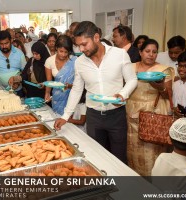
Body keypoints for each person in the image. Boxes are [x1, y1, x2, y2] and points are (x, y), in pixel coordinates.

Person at [54, 21, 138, 164]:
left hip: (116, 115)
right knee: (96, 158)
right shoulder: (79, 62)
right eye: (78, 45)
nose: (81, 48)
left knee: (119, 158)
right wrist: (66, 115)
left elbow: (132, 80)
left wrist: (122, 94)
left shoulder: (120, 54)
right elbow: (77, 89)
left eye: (84, 44)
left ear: (96, 37)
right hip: (94, 117)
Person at [126, 39, 175, 176]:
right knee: (132, 149)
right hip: (131, 113)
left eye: (154, 52)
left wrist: (158, 84)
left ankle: (153, 183)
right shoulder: (130, 68)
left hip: (153, 113)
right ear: (140, 52)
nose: (151, 55)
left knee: (152, 151)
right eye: (147, 51)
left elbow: (167, 95)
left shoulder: (163, 70)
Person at [0, 30, 26, 96]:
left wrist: (18, 81)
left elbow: (25, 71)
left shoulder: (19, 53)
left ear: (11, 41)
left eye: (6, 43)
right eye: (1, 44)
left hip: (17, 90)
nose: (4, 46)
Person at [45, 35, 77, 115]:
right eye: (61, 51)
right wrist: (47, 93)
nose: (63, 54)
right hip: (57, 97)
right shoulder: (49, 61)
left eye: (66, 52)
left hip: (72, 97)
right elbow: (49, 82)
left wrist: (69, 86)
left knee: (70, 123)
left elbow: (79, 83)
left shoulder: (75, 61)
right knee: (58, 120)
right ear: (56, 48)